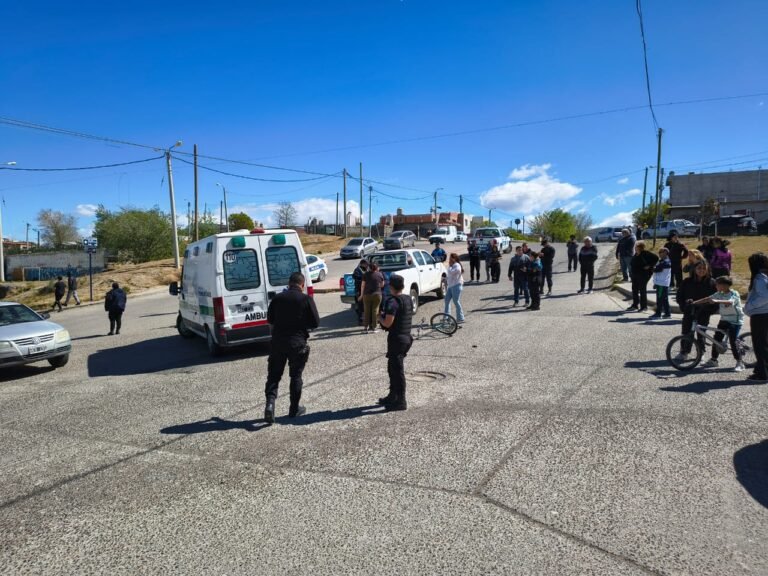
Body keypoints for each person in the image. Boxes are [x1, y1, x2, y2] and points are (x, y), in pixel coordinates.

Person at [263, 272, 320, 423]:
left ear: (289, 284)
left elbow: (270, 320)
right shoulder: (306, 299)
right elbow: (315, 322)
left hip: (278, 343)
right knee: (295, 376)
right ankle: (294, 409)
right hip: (297, 343)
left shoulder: (277, 298)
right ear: (302, 284)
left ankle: (270, 405)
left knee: (274, 376)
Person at [377, 274, 413, 411]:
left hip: (397, 339)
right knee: (392, 368)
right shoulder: (407, 299)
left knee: (397, 371)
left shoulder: (393, 302)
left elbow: (387, 322)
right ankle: (392, 396)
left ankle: (401, 401)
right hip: (405, 338)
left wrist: (379, 316)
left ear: (391, 286)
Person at [698, 276, 745, 371]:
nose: (716, 286)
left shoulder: (734, 293)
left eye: (717, 284)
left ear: (724, 285)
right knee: (716, 340)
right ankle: (714, 360)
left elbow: (730, 302)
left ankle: (740, 363)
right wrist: (694, 302)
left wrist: (717, 301)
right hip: (724, 319)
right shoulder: (719, 293)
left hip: (735, 321)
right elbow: (707, 298)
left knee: (733, 341)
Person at [673, 260, 717, 360]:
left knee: (701, 333)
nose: (701, 270)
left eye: (704, 268)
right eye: (699, 268)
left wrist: (711, 310)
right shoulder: (687, 281)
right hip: (689, 311)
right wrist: (684, 306)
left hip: (704, 312)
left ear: (707, 270)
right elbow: (679, 296)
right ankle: (684, 352)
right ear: (694, 269)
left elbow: (716, 299)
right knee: (686, 332)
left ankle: (701, 352)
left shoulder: (712, 282)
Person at [745, 252, 768, 381]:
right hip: (763, 314)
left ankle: (763, 374)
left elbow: (765, 297)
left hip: (760, 315)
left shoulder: (759, 278)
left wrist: (750, 306)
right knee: (763, 344)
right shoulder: (764, 276)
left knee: (760, 345)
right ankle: (761, 369)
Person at [627, 241, 658, 311]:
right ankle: (635, 305)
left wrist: (649, 266)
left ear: (641, 247)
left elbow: (656, 258)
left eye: (636, 246)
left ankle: (644, 307)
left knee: (642, 290)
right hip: (635, 275)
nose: (635, 248)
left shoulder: (646, 253)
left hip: (644, 275)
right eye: (635, 247)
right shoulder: (635, 254)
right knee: (634, 290)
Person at [359, 262, 385, 333]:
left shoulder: (365, 275)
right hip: (377, 294)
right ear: (377, 268)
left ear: (369, 268)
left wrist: (361, 295)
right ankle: (374, 328)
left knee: (366, 311)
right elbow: (382, 285)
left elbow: (362, 285)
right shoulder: (380, 274)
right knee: (375, 310)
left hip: (366, 295)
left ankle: (365, 328)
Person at [649, 248, 672, 319]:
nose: (660, 254)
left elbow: (657, 269)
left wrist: (654, 268)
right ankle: (667, 314)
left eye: (662, 252)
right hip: (659, 283)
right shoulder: (661, 261)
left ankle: (658, 313)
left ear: (666, 253)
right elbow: (656, 268)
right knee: (664, 299)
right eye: (659, 252)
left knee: (659, 299)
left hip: (662, 283)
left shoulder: (667, 262)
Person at [444, 253, 465, 322]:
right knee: (447, 300)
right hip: (451, 286)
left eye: (451, 258)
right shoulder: (452, 266)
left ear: (455, 258)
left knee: (456, 301)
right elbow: (450, 275)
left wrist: (450, 267)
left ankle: (460, 318)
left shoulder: (457, 265)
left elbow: (456, 271)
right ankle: (447, 317)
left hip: (456, 286)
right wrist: (445, 279)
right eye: (450, 258)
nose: (449, 259)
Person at [352, 259, 368, 324]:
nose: (367, 266)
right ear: (362, 263)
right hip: (359, 291)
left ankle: (363, 319)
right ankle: (360, 320)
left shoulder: (364, 269)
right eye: (366, 264)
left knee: (363, 306)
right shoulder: (357, 270)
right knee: (360, 306)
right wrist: (364, 280)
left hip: (364, 290)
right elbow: (356, 277)